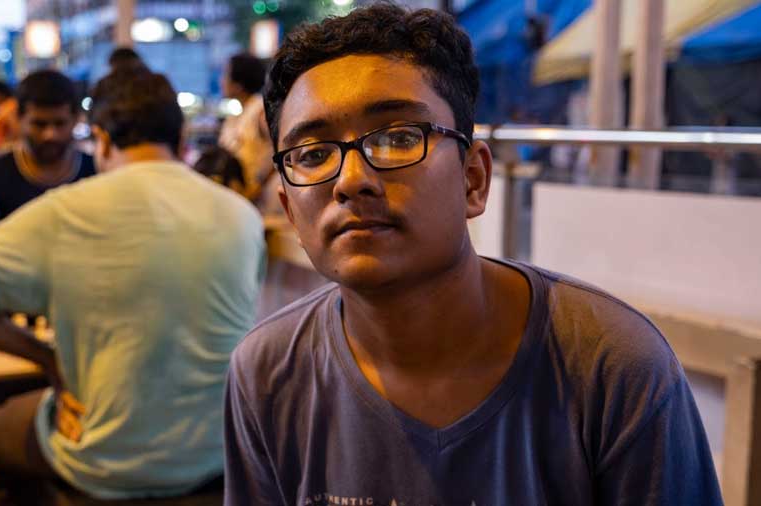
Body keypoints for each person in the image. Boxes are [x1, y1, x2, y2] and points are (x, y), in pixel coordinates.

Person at [223, 5, 723, 506]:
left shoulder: (612, 366)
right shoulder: (267, 373)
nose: (352, 180)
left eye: (399, 137)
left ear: (473, 179)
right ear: (289, 207)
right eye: (312, 154)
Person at [0, 67, 266, 503]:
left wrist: (47, 360)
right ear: (180, 133)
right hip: (220, 457)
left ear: (101, 138)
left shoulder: (64, 210)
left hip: (105, 461)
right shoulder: (242, 216)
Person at [0, 70, 95, 241]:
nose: (50, 134)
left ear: (75, 119)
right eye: (39, 124)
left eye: (60, 123)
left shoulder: (97, 173)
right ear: (19, 119)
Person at [218, 52, 275, 203]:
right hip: (240, 197)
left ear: (239, 83)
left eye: (225, 75)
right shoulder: (236, 116)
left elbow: (279, 147)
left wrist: (257, 185)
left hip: (261, 199)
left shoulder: (260, 112)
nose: (221, 81)